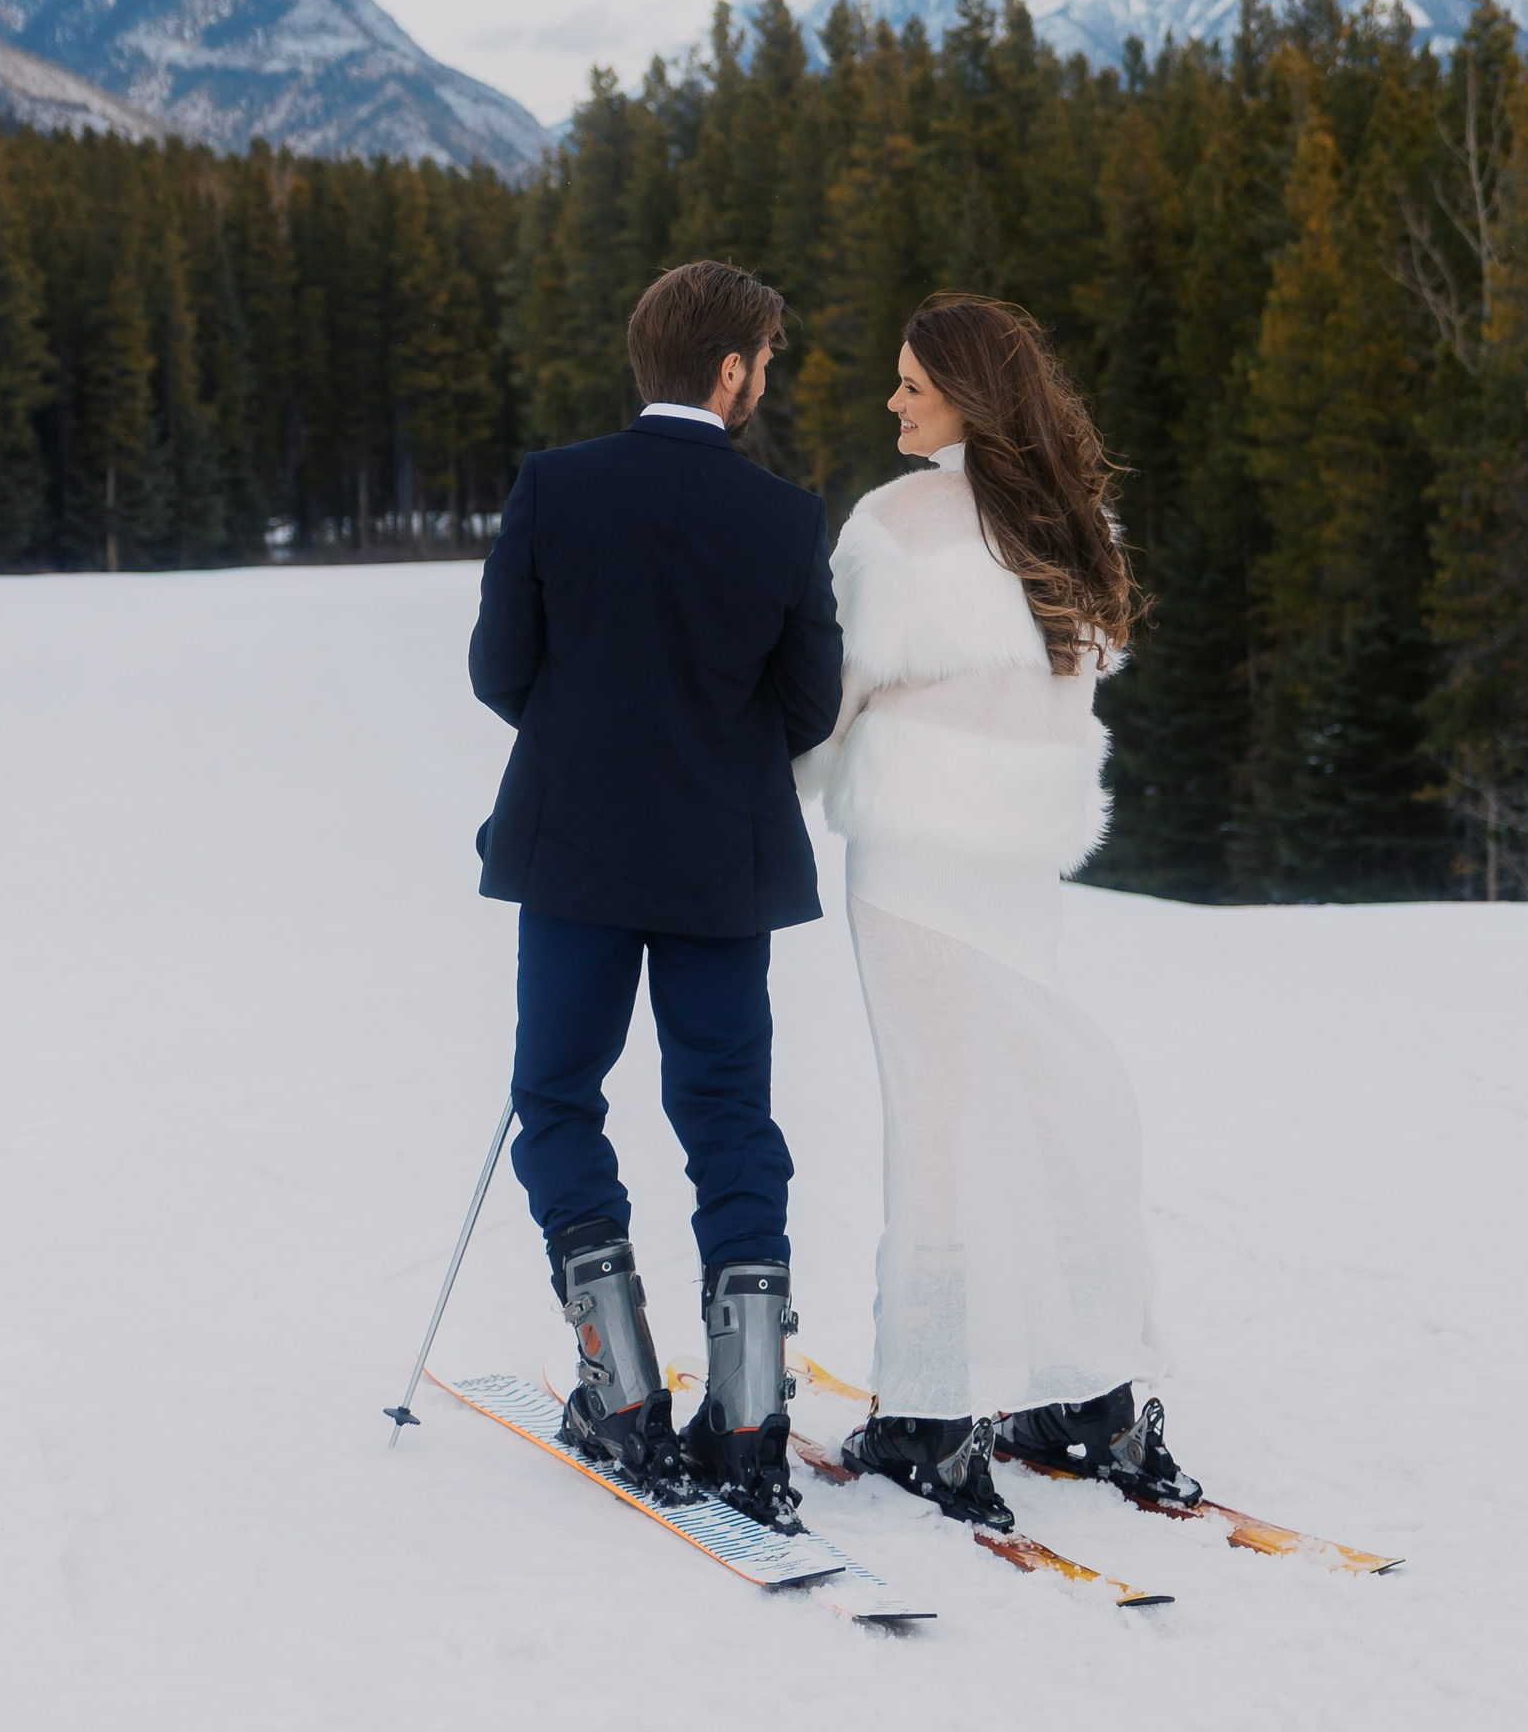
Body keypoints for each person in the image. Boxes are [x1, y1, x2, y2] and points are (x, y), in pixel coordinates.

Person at [797, 293, 1201, 1527]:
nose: (894, 401)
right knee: (1036, 1109)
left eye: (914, 384)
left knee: (936, 1130)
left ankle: (929, 1412)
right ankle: (1085, 1395)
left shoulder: (894, 525)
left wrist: (777, 776)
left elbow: (832, 697)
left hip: (916, 868)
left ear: (969, 393)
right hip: (1020, 871)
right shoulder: (1075, 527)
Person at [469, 258, 842, 1528]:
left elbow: (498, 670)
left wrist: (589, 742)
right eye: (766, 363)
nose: (765, 384)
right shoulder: (787, 520)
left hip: (573, 852)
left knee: (555, 1098)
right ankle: (747, 1423)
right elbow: (806, 709)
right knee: (729, 1115)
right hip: (719, 868)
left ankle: (620, 1393)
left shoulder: (553, 486)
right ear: (730, 370)